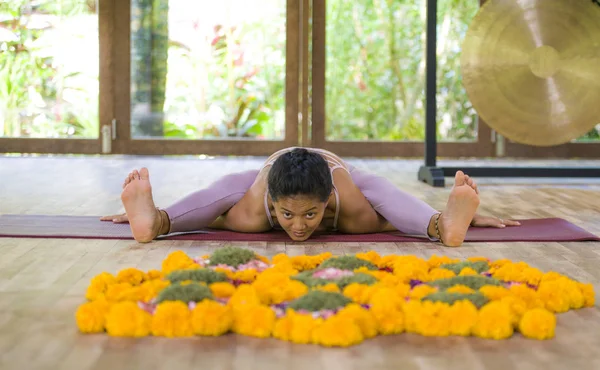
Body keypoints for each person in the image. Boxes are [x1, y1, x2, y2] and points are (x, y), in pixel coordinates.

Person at [101, 147, 519, 246]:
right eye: (287, 216)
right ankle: (155, 221)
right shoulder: (257, 206)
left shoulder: (346, 202)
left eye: (310, 216)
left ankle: (441, 226)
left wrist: (443, 217)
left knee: (376, 200)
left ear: (328, 203)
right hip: (269, 172)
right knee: (228, 200)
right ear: (273, 204)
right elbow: (213, 213)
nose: (298, 227)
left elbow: (390, 216)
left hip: (337, 171)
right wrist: (158, 213)